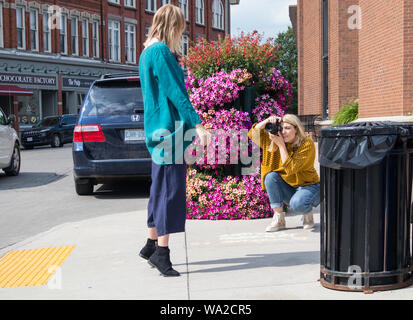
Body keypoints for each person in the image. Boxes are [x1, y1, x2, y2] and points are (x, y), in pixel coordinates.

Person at [138, 4, 210, 277]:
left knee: (158, 190)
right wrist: (199, 124)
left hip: (157, 130)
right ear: (172, 26)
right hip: (170, 133)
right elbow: (177, 92)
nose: (182, 32)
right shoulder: (161, 52)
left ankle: (150, 243)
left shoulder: (146, 52)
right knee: (170, 192)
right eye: (180, 27)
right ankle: (161, 253)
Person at [248, 114, 320, 232]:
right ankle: (279, 218)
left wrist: (281, 145)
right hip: (289, 187)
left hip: (309, 186)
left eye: (288, 128)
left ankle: (307, 212)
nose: (284, 132)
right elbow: (252, 134)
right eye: (281, 128)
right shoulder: (273, 139)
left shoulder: (306, 144)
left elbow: (291, 169)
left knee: (298, 204)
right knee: (271, 177)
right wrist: (267, 121)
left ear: (296, 129)